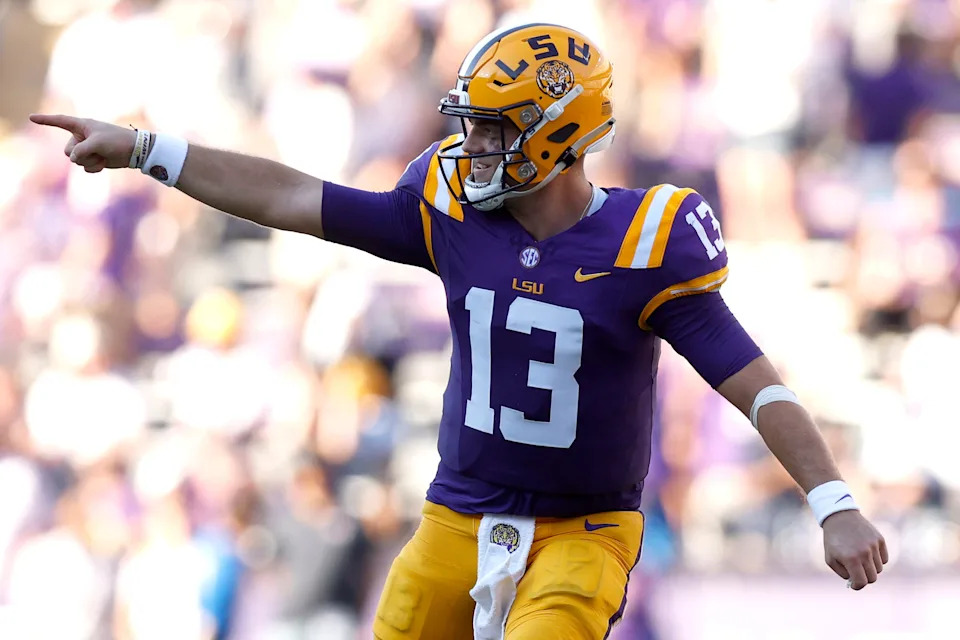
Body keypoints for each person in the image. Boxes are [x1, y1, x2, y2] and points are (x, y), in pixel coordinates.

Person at [32, 22, 887, 640]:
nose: (468, 143)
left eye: (491, 126)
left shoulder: (644, 246)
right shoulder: (449, 212)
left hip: (583, 529)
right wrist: (146, 149)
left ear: (559, 133)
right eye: (469, 122)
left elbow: (757, 387)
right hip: (456, 516)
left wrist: (834, 503)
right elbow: (292, 196)